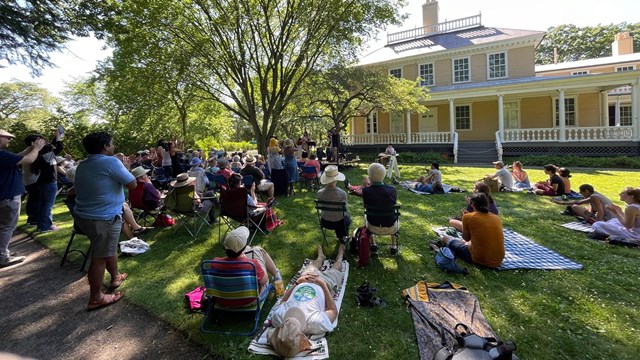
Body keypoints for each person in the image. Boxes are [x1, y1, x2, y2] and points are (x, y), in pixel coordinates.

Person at [73, 131, 136, 311]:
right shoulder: (111, 161)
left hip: (85, 216)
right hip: (103, 217)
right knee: (99, 256)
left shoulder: (83, 164)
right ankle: (96, 297)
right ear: (106, 146)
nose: (114, 146)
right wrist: (126, 167)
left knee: (109, 247)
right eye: (112, 143)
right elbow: (132, 184)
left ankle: (115, 276)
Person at [268, 244, 345, 358]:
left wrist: (298, 282)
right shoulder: (315, 323)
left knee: (312, 266)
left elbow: (283, 300)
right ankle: (341, 254)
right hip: (325, 285)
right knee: (336, 268)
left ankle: (321, 257)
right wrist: (322, 284)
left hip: (304, 281)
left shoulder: (278, 318)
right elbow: (333, 311)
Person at [1, 129, 46, 267]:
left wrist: (31, 147)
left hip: (4, 196)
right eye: (7, 137)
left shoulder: (4, 156)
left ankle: (3, 252)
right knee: (6, 227)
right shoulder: (1, 154)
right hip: (7, 196)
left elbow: (17, 158)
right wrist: (37, 149)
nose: (10, 140)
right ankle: (2, 257)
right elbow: (28, 160)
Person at [439, 193, 505, 268]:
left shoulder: (468, 217)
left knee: (445, 238)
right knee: (467, 243)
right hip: (498, 260)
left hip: (479, 259)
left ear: (472, 205)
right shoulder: (496, 218)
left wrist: (465, 220)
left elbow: (466, 238)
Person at [214, 226, 279, 294]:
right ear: (243, 248)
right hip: (250, 300)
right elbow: (265, 280)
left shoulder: (215, 263)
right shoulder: (252, 265)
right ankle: (276, 275)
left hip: (224, 300)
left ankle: (276, 273)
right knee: (258, 250)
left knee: (255, 250)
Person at [31, 128, 64, 232]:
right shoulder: (46, 156)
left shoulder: (39, 155)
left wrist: (57, 137)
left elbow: (52, 145)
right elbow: (59, 147)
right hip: (49, 183)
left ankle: (42, 225)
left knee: (44, 204)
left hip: (43, 182)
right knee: (48, 205)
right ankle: (45, 226)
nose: (48, 143)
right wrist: (58, 138)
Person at [362, 163, 399, 255]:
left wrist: (365, 185)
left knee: (365, 214)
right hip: (391, 226)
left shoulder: (366, 191)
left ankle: (373, 244)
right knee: (394, 213)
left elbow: (369, 196)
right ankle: (393, 245)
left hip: (372, 225)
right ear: (384, 174)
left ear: (369, 176)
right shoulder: (392, 190)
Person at [317, 165, 351, 243]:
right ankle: (342, 237)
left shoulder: (320, 193)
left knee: (341, 217)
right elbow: (345, 210)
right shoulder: (342, 194)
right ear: (337, 179)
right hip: (340, 223)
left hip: (325, 222)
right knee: (347, 218)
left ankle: (341, 236)